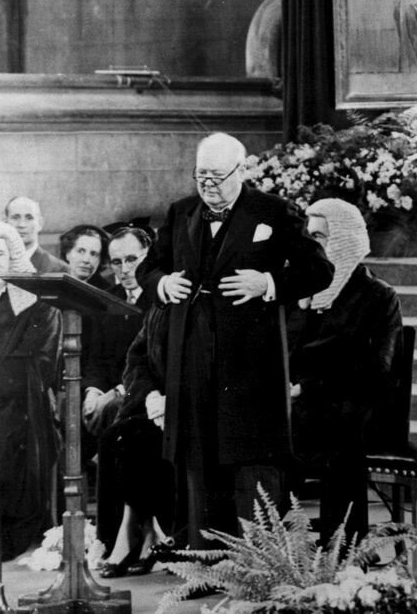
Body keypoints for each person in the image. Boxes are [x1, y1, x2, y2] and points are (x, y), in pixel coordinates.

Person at [141, 131, 333, 548]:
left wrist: (267, 282)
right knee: (197, 461)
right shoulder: (180, 212)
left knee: (251, 462)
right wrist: (162, 283)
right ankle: (201, 561)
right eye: (200, 176)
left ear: (241, 171)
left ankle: (256, 563)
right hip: (192, 353)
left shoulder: (274, 211)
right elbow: (148, 269)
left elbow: (319, 271)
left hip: (249, 363)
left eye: (217, 177)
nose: (207, 185)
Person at [287, 197, 403, 545]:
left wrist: (306, 388)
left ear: (344, 240)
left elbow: (375, 372)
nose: (313, 245)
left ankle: (342, 549)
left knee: (308, 431)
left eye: (320, 237)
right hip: (305, 405)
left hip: (358, 406)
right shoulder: (302, 294)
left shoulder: (376, 296)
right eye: (309, 237)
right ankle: (272, 548)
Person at [0, 221, 63, 561]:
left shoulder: (36, 305)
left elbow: (41, 362)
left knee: (7, 442)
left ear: (13, 258)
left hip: (18, 404)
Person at [95, 305, 175, 577]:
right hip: (154, 403)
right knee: (113, 437)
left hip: (190, 406)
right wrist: (151, 395)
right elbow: (136, 360)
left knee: (137, 438)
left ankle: (130, 534)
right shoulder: (160, 305)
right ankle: (143, 531)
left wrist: (172, 401)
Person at [82, 227, 153, 440]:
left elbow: (155, 364)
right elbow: (96, 359)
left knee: (114, 410)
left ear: (148, 256)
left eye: (132, 259)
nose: (125, 269)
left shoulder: (161, 298)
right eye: (117, 262)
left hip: (144, 392)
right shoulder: (105, 299)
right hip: (107, 391)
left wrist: (118, 392)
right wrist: (92, 393)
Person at [4, 195, 68, 273]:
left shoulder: (57, 269)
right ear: (6, 223)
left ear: (40, 223)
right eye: (15, 218)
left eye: (29, 218)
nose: (22, 224)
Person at [59, 224, 110, 288]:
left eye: (93, 254)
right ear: (67, 254)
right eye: (81, 251)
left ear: (100, 260)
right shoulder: (52, 286)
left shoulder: (109, 292)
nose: (86, 260)